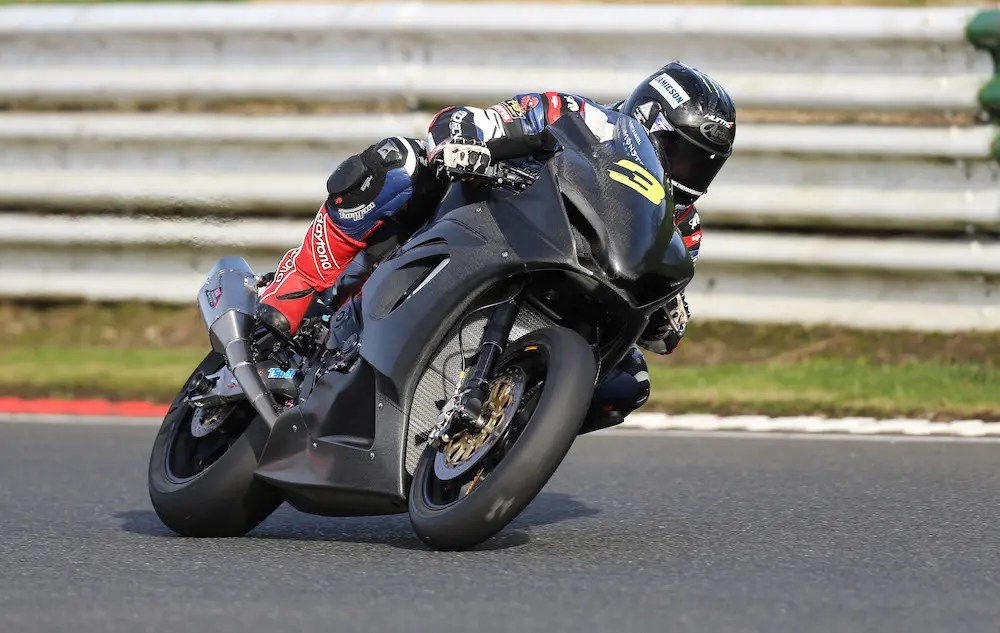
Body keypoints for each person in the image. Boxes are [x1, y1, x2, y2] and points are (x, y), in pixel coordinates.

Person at [257, 61, 736, 429]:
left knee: (629, 381)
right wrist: (464, 139)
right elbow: (482, 120)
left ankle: (497, 437)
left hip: (570, 297)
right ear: (648, 120)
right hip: (488, 232)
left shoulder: (681, 231)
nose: (689, 175)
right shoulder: (581, 118)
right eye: (682, 155)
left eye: (703, 166)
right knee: (398, 163)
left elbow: (654, 314)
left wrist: (666, 318)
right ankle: (286, 303)